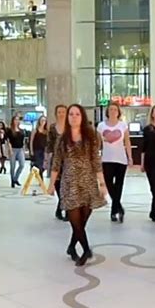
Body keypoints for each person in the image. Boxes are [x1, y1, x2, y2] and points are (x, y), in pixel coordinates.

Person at [48, 104, 107, 266]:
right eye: (71, 114)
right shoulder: (62, 138)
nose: (74, 117)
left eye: (77, 114)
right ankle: (86, 250)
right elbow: (56, 163)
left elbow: (96, 161)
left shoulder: (90, 136)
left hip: (87, 183)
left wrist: (102, 183)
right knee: (75, 220)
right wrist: (51, 183)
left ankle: (72, 247)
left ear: (82, 117)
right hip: (70, 183)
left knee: (82, 221)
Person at [97, 102, 133, 223]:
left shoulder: (123, 125)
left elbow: (127, 141)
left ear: (118, 112)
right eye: (111, 109)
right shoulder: (101, 126)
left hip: (121, 159)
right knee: (108, 183)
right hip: (106, 159)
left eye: (115, 110)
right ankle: (119, 207)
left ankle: (114, 210)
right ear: (107, 112)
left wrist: (130, 157)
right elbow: (97, 143)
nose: (113, 111)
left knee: (119, 185)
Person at [46, 105, 67, 221]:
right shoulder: (53, 128)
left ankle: (65, 209)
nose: (61, 114)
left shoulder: (70, 127)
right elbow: (49, 144)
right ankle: (61, 206)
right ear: (56, 114)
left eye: (63, 112)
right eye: (59, 112)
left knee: (68, 185)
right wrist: (48, 157)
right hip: (56, 159)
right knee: (58, 184)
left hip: (68, 160)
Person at [7, 114, 26, 188]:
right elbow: (8, 141)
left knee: (22, 164)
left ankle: (16, 178)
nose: (16, 121)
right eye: (15, 120)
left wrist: (24, 149)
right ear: (13, 121)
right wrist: (10, 149)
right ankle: (12, 180)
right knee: (13, 166)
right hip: (13, 149)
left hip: (20, 149)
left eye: (18, 120)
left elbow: (23, 141)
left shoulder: (21, 131)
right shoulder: (9, 130)